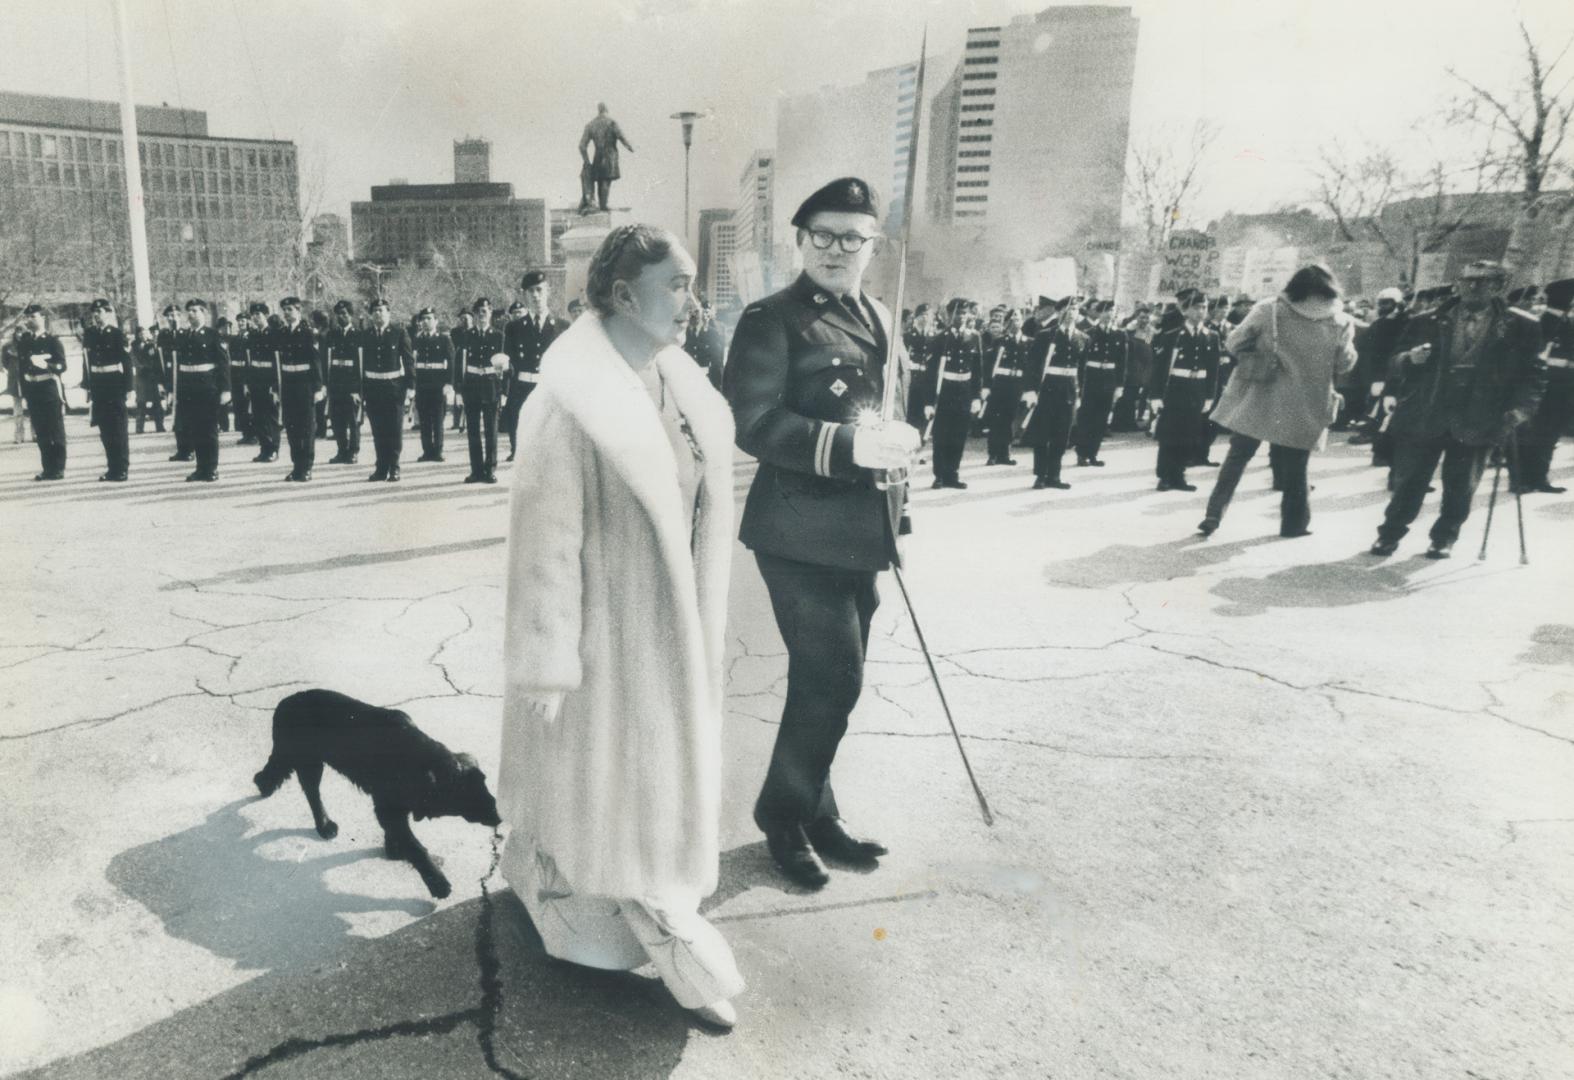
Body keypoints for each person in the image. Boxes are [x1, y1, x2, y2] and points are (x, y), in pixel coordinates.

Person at [497, 223, 743, 1029]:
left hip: (675, 636)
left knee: (633, 793)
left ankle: (565, 886)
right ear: (621, 294)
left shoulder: (681, 385)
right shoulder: (568, 408)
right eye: (677, 284)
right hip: (606, 646)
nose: (693, 301)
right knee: (624, 797)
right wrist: (545, 660)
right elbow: (543, 547)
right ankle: (677, 947)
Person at [724, 176, 917, 891]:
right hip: (797, 530)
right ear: (800, 241)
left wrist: (898, 488)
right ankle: (781, 816)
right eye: (823, 236)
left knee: (828, 684)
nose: (837, 249)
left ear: (874, 246)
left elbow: (892, 414)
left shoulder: (883, 316)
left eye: (853, 238)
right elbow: (753, 421)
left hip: (864, 531)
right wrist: (847, 447)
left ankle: (817, 811)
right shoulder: (771, 318)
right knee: (835, 677)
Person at [1368, 261, 1546, 559]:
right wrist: (1410, 359)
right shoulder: (1428, 319)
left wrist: (1520, 411)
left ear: (1499, 286)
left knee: (1461, 485)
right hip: (1426, 412)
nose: (1472, 287)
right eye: (1467, 281)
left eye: (1483, 281)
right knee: (1409, 481)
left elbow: (1534, 375)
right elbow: (1394, 362)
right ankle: (1390, 533)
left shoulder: (1521, 325)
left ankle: (1444, 537)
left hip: (1481, 416)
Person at [1197, 264, 1358, 538]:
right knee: (1296, 467)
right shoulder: (1341, 321)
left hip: (1260, 396)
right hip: (1305, 404)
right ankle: (1294, 525)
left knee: (1237, 458)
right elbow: (1344, 364)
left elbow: (1234, 343)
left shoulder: (1269, 309)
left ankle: (1213, 515)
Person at [1150, 289, 1221, 492]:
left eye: (1204, 308)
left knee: (1189, 435)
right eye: (1196, 307)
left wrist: (1209, 396)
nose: (1201, 312)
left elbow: (1213, 370)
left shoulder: (1211, 337)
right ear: (1186, 311)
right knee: (1170, 435)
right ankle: (1164, 476)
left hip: (1197, 390)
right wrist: (1155, 396)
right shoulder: (1173, 336)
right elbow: (1160, 368)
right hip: (1175, 390)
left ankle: (1179, 475)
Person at [502, 271, 568, 461]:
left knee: (551, 447)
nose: (535, 295)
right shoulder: (513, 328)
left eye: (540, 290)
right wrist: (505, 392)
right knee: (523, 447)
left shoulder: (562, 327)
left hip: (550, 392)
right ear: (524, 295)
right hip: (522, 391)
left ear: (548, 291)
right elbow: (509, 364)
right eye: (530, 291)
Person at [1021, 296, 1084, 490]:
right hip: (1047, 389)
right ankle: (1040, 475)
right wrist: (1030, 390)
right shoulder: (1046, 335)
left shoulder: (1082, 338)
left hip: (1068, 391)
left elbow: (1082, 370)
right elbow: (1032, 365)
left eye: (1075, 309)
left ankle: (1054, 475)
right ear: (1059, 312)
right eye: (1068, 309)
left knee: (1061, 435)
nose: (1072, 312)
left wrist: (1080, 394)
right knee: (1043, 434)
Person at [1516, 277, 1573, 493]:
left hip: (1562, 387)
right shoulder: (1547, 321)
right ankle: (1523, 478)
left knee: (1549, 434)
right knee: (1536, 432)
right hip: (1546, 385)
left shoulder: (1563, 320)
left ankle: (1537, 477)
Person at [926, 298, 983, 488]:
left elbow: (978, 370)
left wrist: (976, 397)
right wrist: (929, 401)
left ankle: (953, 474)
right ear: (950, 315)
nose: (961, 317)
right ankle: (939, 475)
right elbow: (932, 371)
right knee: (942, 434)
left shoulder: (974, 337)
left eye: (964, 313)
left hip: (964, 391)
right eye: (958, 313)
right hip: (946, 391)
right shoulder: (941, 338)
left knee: (959, 434)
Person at [173, 298, 231, 482]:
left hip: (208, 389)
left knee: (208, 430)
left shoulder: (213, 335)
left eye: (195, 311)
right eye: (189, 311)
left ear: (204, 314)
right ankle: (201, 468)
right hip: (188, 390)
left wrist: (225, 390)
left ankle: (211, 468)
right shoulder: (183, 336)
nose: (191, 314)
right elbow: (179, 367)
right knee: (195, 430)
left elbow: (223, 364)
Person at [362, 296, 414, 481]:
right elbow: (361, 364)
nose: (378, 314)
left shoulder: (399, 333)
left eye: (381, 310)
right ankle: (381, 468)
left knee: (393, 430)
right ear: (371, 315)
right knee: (378, 430)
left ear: (388, 313)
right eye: (375, 311)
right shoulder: (366, 335)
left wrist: (410, 386)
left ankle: (394, 467)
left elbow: (408, 361)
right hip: (373, 388)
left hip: (394, 388)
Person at [81, 298, 133, 482]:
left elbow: (127, 362)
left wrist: (129, 387)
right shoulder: (89, 333)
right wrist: (86, 385)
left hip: (114, 385)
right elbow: (86, 362)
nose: (96, 315)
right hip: (98, 385)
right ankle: (112, 468)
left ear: (108, 313)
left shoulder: (117, 334)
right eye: (94, 312)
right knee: (105, 430)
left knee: (118, 428)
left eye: (100, 312)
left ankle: (121, 469)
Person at [15, 304, 68, 480]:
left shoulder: (52, 341)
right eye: (28, 317)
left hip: (49, 389)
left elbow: (62, 366)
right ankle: (48, 468)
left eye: (33, 316)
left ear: (43, 318)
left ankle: (58, 468)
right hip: (33, 390)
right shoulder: (24, 341)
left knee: (55, 430)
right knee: (41, 431)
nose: (30, 320)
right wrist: (24, 391)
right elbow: (22, 368)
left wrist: (46, 365)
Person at [457, 298, 505, 483]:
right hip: (472, 387)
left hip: (491, 387)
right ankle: (476, 470)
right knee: (473, 431)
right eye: (478, 313)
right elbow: (459, 363)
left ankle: (490, 469)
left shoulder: (498, 336)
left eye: (485, 312)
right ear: (475, 315)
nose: (481, 316)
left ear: (491, 312)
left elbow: (504, 367)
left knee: (491, 431)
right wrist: (459, 389)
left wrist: (504, 391)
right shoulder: (467, 335)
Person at [1073, 300, 1127, 467]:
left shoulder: (1120, 335)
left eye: (1112, 311)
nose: (1109, 314)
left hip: (1109, 378)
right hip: (1092, 378)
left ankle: (1093, 453)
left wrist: (1119, 385)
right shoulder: (1090, 333)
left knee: (1101, 418)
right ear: (1099, 313)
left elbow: (1122, 362)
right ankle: (1082, 453)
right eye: (1105, 311)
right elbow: (1081, 363)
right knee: (1087, 417)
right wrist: (1080, 384)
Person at [277, 296, 323, 481]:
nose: (287, 313)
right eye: (285, 310)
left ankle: (306, 467)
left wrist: (318, 387)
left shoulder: (308, 333)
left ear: (298, 311)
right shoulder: (282, 333)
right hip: (288, 384)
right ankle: (296, 466)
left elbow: (316, 361)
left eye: (290, 309)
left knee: (306, 428)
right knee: (292, 427)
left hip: (305, 384)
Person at [982, 308, 1028, 466]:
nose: (1016, 322)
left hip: (1017, 384)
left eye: (1018, 319)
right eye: (1013, 320)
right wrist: (986, 386)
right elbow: (989, 366)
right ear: (1007, 323)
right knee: (997, 419)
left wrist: (1028, 389)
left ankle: (1005, 453)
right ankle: (993, 453)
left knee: (1010, 419)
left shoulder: (1028, 342)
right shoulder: (999, 342)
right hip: (1001, 383)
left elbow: (1031, 368)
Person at [412, 307, 455, 462]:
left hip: (438, 385)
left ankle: (438, 450)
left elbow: (451, 362)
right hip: (422, 385)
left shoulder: (444, 339)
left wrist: (449, 383)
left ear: (436, 321)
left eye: (429, 318)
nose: (426, 321)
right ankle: (427, 451)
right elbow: (413, 363)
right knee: (424, 420)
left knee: (437, 419)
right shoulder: (417, 339)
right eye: (423, 319)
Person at [323, 300, 364, 465]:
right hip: (336, 384)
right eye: (339, 314)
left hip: (351, 385)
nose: (342, 317)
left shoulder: (358, 335)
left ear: (351, 315)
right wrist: (326, 384)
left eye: (345, 314)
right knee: (337, 419)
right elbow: (326, 361)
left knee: (353, 421)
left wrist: (357, 389)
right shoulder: (331, 335)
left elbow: (360, 365)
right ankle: (341, 450)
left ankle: (353, 451)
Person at [577, 102, 634, 213]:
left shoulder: (590, 125)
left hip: (597, 156)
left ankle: (603, 205)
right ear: (607, 109)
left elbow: (582, 146)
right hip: (610, 156)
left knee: (601, 180)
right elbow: (623, 138)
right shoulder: (612, 123)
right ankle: (604, 205)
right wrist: (631, 148)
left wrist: (587, 161)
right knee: (606, 180)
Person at [131, 325, 166, 435]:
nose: (143, 336)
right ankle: (139, 428)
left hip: (152, 377)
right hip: (141, 378)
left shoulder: (151, 345)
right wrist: (142, 367)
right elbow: (134, 361)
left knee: (157, 402)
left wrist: (152, 368)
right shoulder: (134, 346)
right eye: (140, 334)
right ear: (137, 335)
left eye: (145, 333)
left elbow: (155, 359)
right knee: (141, 403)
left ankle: (160, 426)